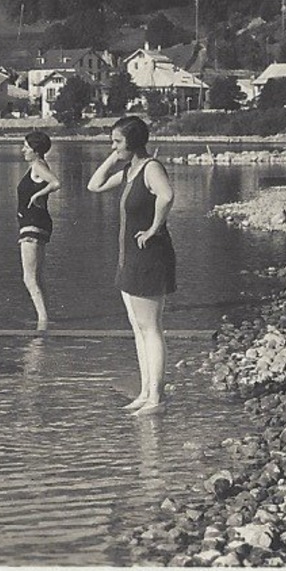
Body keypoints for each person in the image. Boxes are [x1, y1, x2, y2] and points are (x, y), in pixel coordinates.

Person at [87, 115, 176, 416]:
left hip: (149, 255)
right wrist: (114, 156)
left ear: (134, 142)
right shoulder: (129, 171)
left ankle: (157, 398)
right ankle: (145, 392)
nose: (113, 147)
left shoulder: (151, 168)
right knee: (139, 329)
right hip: (130, 258)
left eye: (117, 141)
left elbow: (167, 196)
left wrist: (154, 228)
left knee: (151, 329)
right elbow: (94, 185)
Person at [16, 130, 62, 328]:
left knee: (29, 277)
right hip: (36, 222)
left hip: (33, 223)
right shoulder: (38, 165)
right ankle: (45, 317)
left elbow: (56, 183)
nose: (23, 150)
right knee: (37, 276)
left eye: (26, 146)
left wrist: (37, 196)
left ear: (35, 150)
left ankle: (42, 321)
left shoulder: (37, 165)